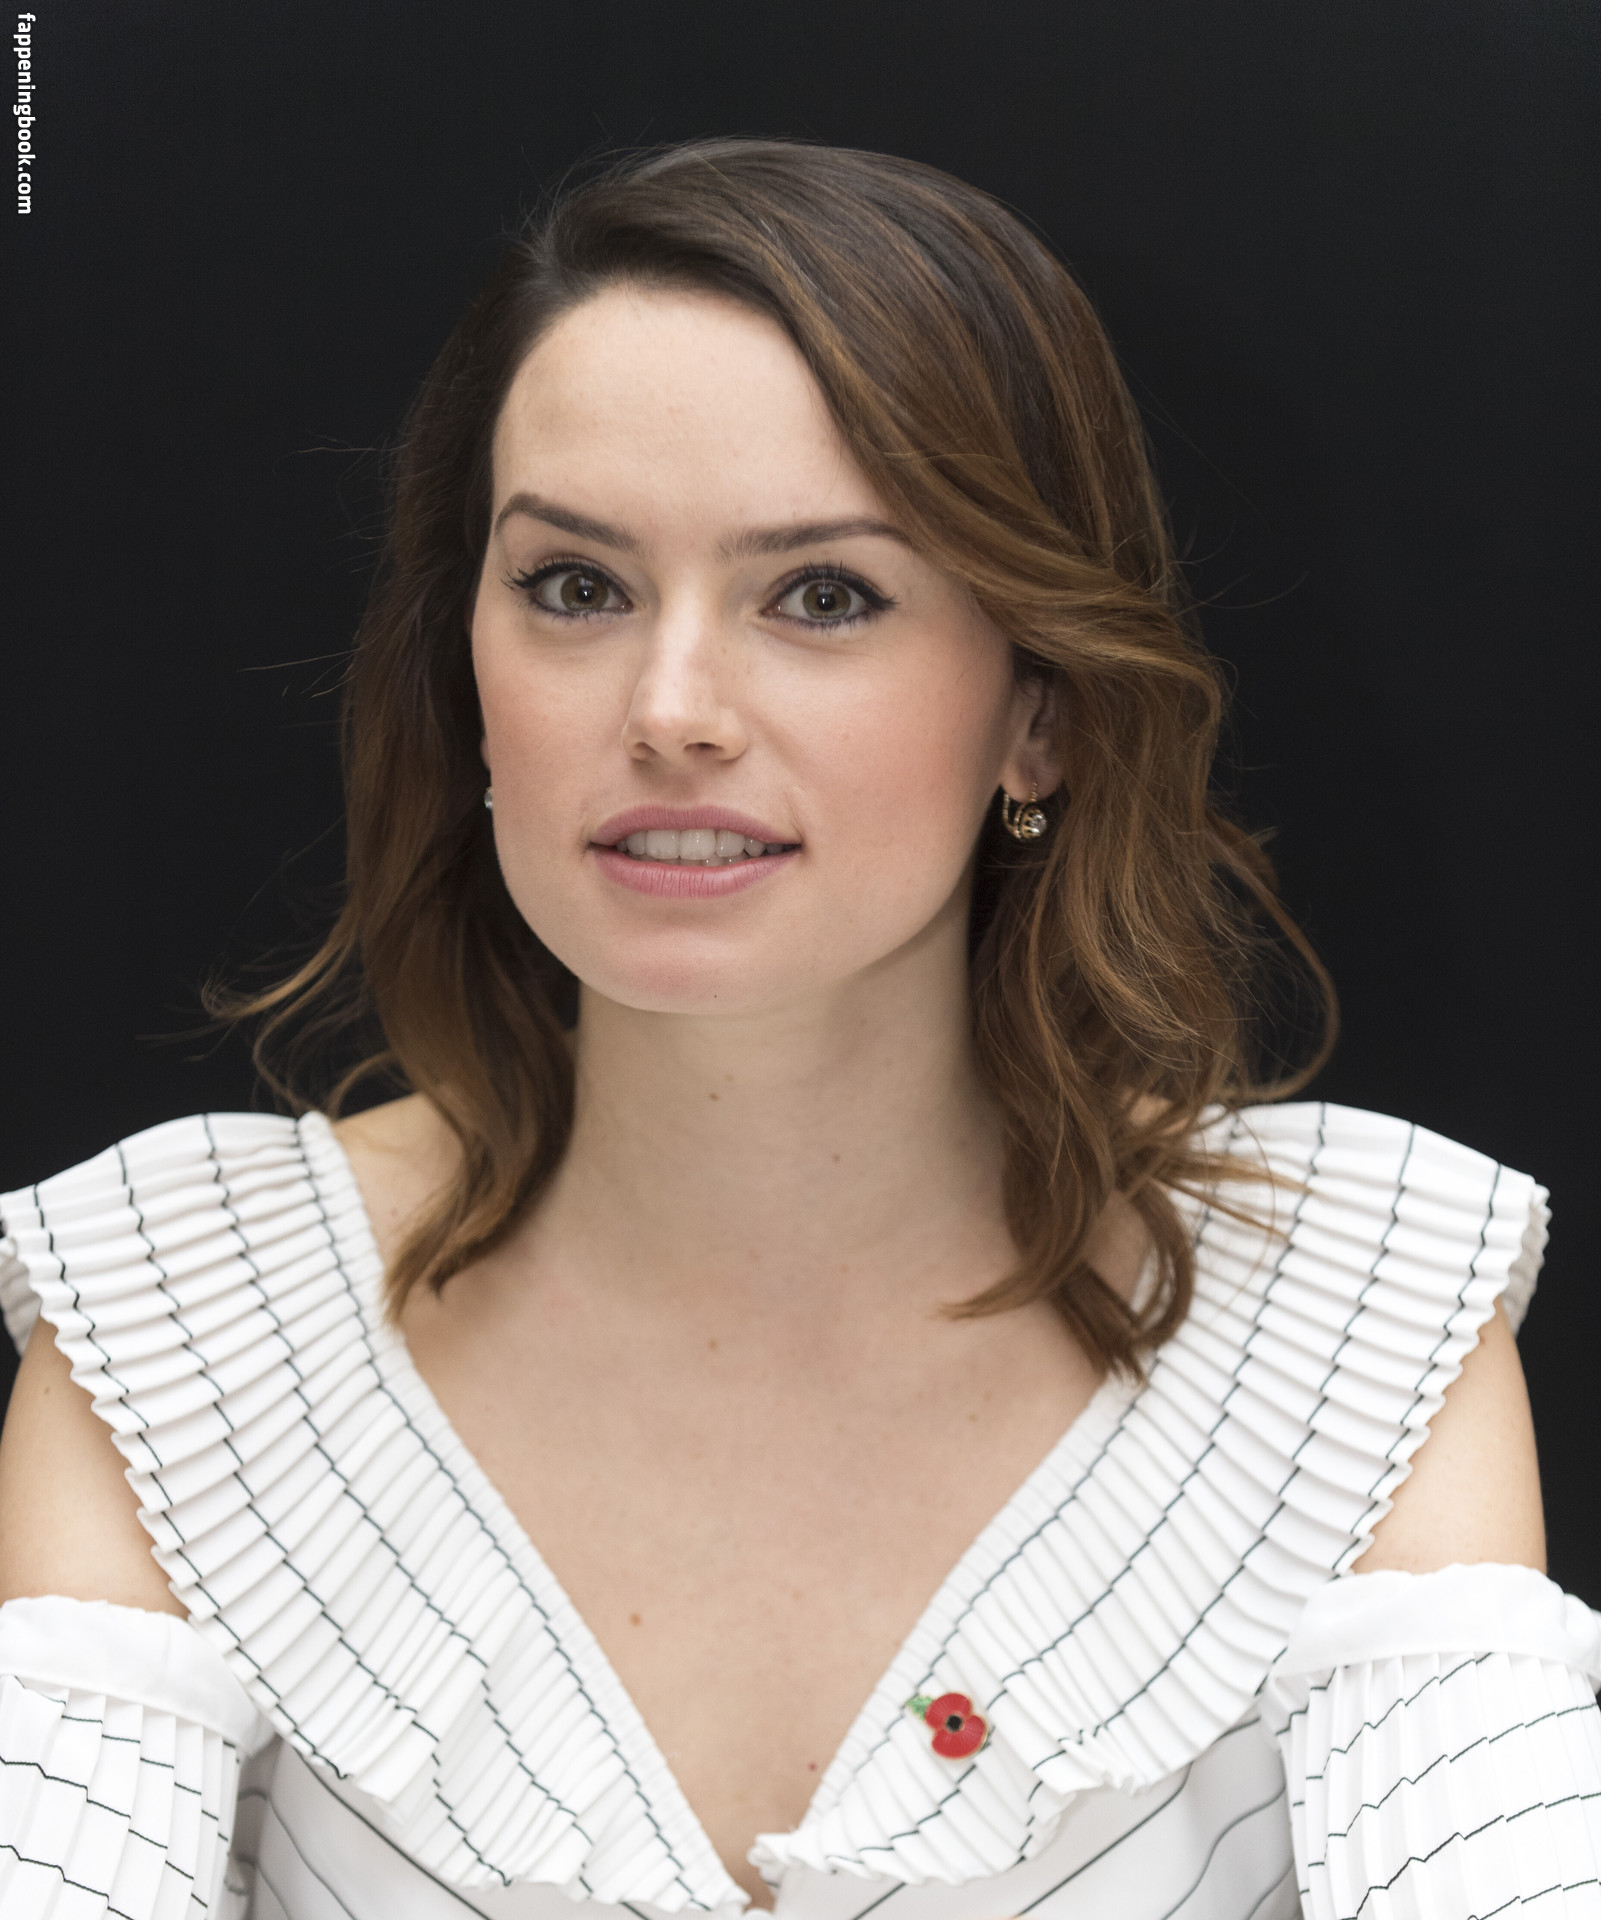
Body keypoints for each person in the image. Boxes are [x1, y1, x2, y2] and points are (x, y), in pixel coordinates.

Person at [0, 139, 1596, 1920]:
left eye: (821, 595)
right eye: (576, 587)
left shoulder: (1349, 1316)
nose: (672, 709)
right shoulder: (175, 1324)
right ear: (464, 668)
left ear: (1041, 711)